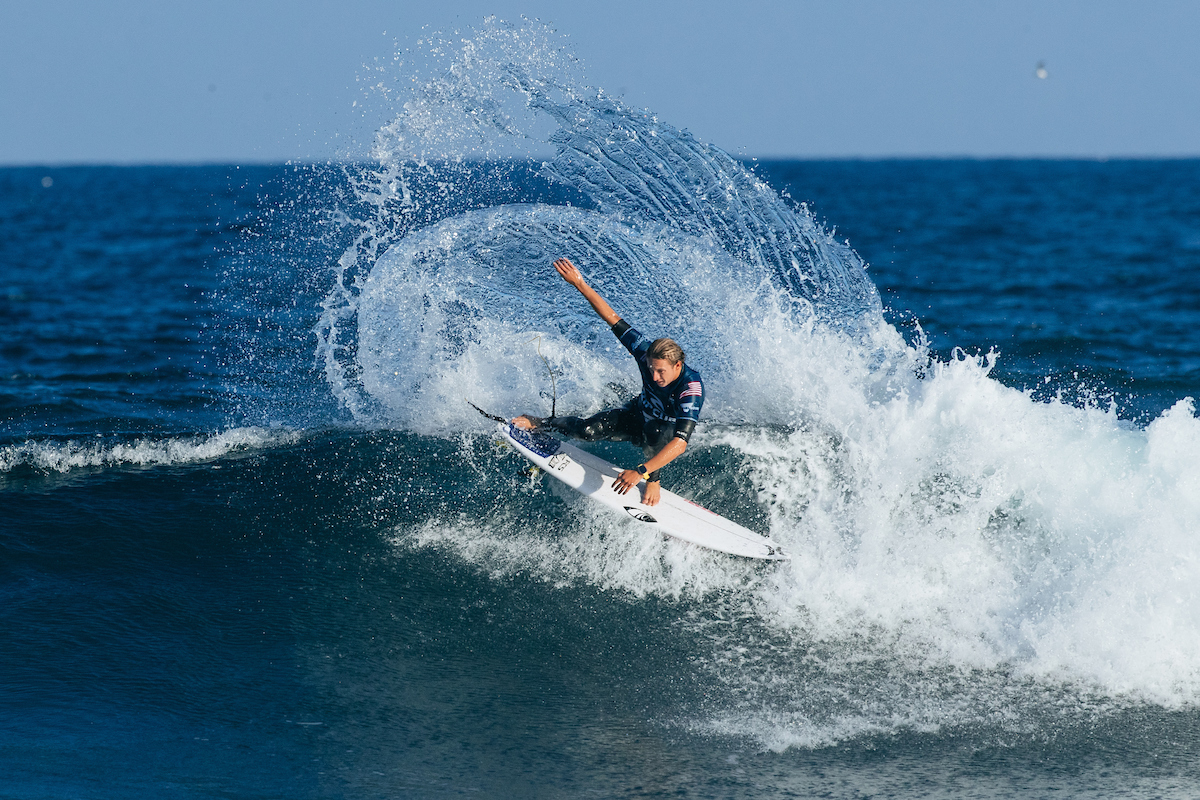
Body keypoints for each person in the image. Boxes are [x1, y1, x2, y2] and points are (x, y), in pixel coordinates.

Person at [513, 258, 704, 507]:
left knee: (655, 431)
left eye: (661, 372)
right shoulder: (644, 351)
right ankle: (538, 422)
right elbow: (612, 318)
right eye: (651, 370)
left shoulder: (690, 388)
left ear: (677, 366)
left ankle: (654, 479)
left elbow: (679, 444)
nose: (655, 377)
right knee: (586, 431)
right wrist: (579, 283)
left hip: (662, 434)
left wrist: (642, 472)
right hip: (638, 413)